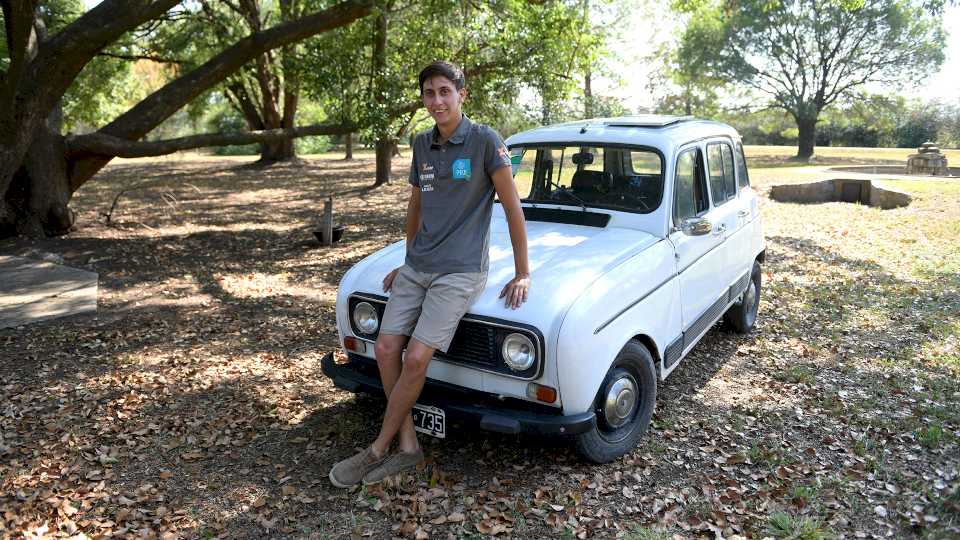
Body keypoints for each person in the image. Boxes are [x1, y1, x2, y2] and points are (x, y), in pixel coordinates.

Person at [329, 61, 531, 487]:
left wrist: (522, 273)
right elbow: (416, 207)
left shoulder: (485, 141)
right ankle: (408, 446)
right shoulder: (422, 143)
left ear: (462, 94)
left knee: (417, 356)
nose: (436, 100)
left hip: (460, 270)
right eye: (429, 93)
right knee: (386, 348)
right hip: (420, 265)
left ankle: (377, 449)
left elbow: (513, 209)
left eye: (444, 91)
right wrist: (407, 259)